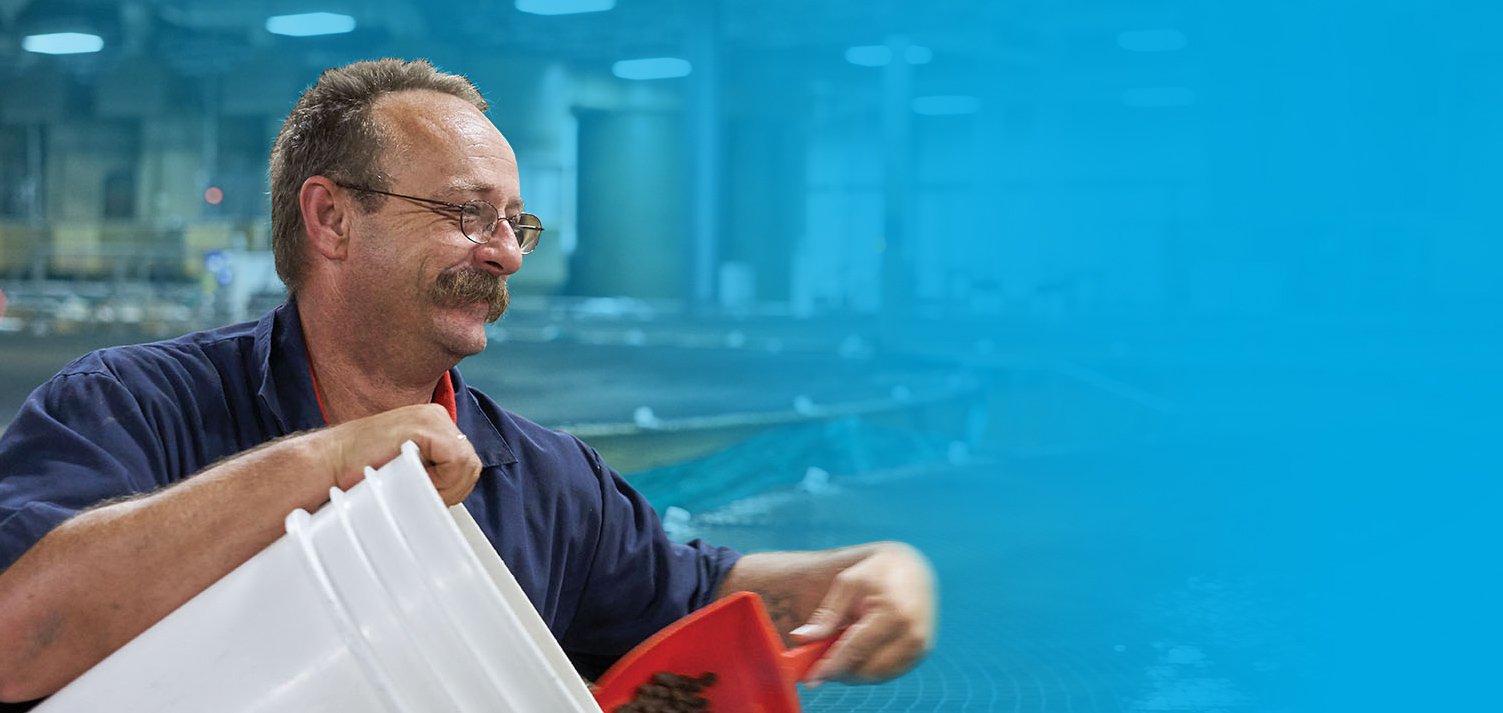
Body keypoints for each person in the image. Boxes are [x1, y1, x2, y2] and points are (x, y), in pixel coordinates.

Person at [0, 58, 935, 705]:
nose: (504, 254)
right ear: (330, 218)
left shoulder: (545, 482)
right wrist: (324, 464)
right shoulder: (133, 407)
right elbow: (16, 637)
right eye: (464, 213)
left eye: (515, 225)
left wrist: (872, 573)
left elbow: (706, 598)